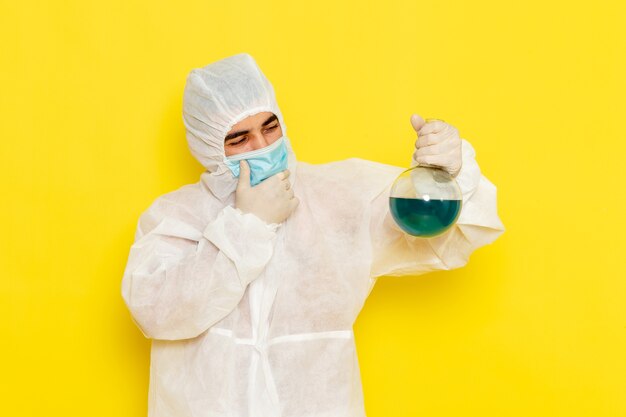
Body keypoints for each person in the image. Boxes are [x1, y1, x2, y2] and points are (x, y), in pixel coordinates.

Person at [121, 53, 505, 417]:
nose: (262, 146)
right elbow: (156, 313)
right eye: (239, 139)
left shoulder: (335, 198)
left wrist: (447, 176)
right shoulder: (176, 217)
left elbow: (443, 239)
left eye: (270, 127)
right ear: (207, 145)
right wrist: (246, 225)